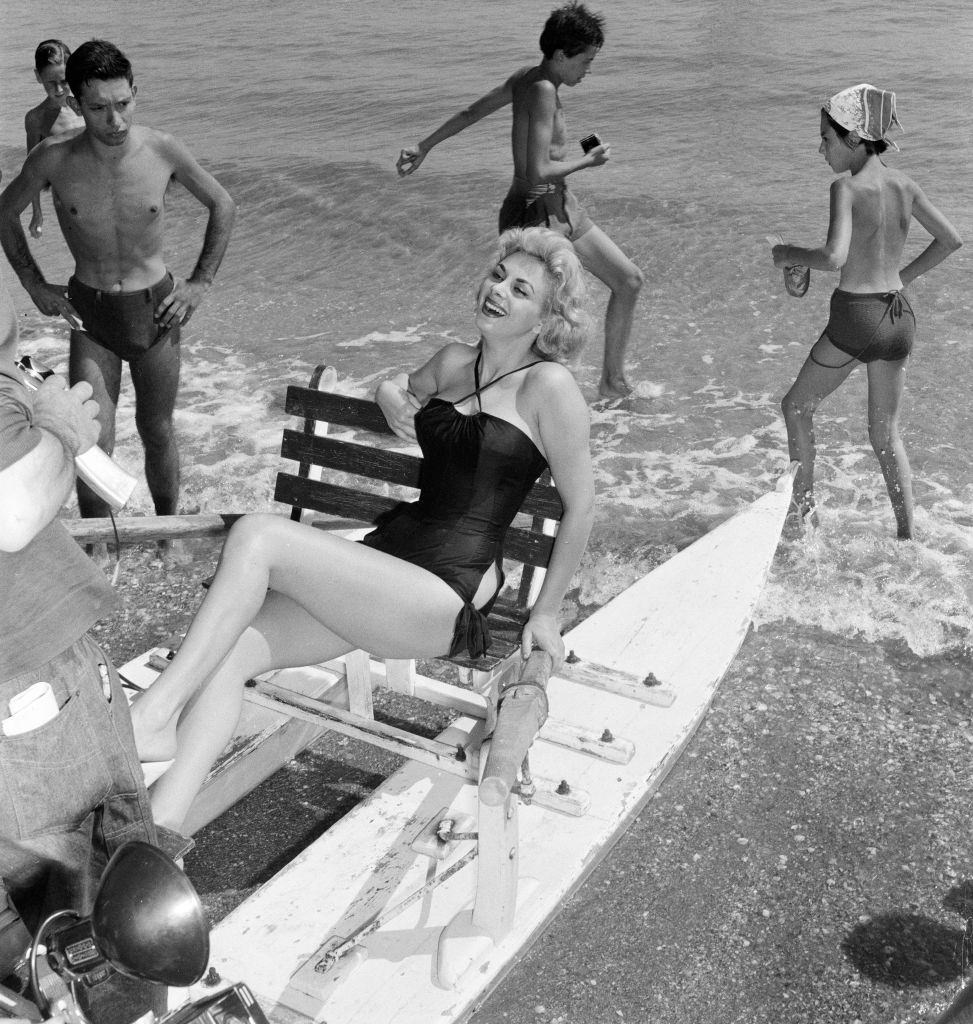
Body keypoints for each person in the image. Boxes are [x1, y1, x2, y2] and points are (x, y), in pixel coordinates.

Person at [131, 227, 596, 832]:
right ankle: (157, 831)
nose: (497, 290)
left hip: (444, 591)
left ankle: (154, 713)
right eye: (497, 275)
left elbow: (581, 506)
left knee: (259, 535)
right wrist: (387, 391)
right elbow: (405, 388)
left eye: (520, 288)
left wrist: (547, 613)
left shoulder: (548, 387)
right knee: (227, 654)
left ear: (545, 318)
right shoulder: (456, 363)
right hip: (388, 565)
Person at [0, 238, 173, 1024]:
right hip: (32, 670)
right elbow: (11, 515)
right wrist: (65, 430)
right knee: (91, 889)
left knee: (27, 893)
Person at [0, 39, 236, 521]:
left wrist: (200, 282)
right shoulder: (54, 157)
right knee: (93, 438)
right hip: (92, 317)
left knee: (157, 430)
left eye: (123, 103)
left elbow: (223, 205)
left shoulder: (162, 148)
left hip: (157, 311)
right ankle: (96, 546)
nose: (116, 121)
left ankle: (168, 527)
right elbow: (4, 213)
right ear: (75, 103)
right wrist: (35, 285)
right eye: (99, 109)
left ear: (136, 92)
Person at [395, 1, 643, 399]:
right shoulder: (543, 90)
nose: (588, 71)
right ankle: (462, 392)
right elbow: (537, 171)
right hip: (534, 215)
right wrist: (588, 160)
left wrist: (424, 146)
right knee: (530, 323)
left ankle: (612, 382)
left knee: (628, 281)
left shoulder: (526, 78)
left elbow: (469, 111)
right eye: (586, 61)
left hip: (562, 206)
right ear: (562, 54)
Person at [773, 84, 961, 539]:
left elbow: (834, 256)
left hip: (856, 318)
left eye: (826, 138)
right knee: (885, 435)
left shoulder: (846, 187)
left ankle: (808, 521)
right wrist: (903, 278)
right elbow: (951, 240)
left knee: (796, 407)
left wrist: (787, 253)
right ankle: (907, 534)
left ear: (854, 139)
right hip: (898, 317)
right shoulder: (904, 185)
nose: (820, 148)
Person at [24, 39, 84, 240]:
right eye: (51, 83)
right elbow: (32, 172)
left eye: (64, 81)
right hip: (67, 201)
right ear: (38, 77)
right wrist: (37, 213)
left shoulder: (86, 105)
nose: (59, 89)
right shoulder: (36, 119)